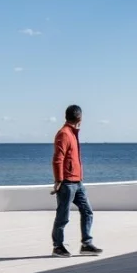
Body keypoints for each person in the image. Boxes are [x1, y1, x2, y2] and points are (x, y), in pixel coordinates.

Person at [51, 104, 103, 257]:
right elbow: (57, 159)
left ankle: (86, 244)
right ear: (79, 117)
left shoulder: (72, 133)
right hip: (67, 182)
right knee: (63, 216)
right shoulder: (64, 134)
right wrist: (59, 180)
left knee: (87, 211)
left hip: (78, 182)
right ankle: (57, 246)